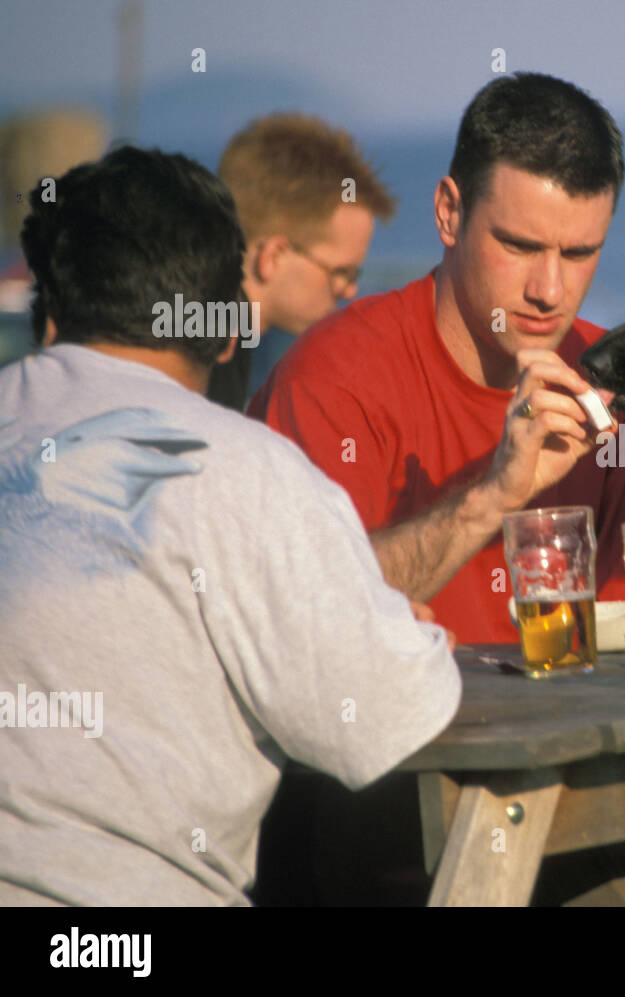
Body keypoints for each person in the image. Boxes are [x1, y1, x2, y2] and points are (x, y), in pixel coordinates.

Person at [0, 147, 460, 905]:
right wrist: (394, 630)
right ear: (223, 331)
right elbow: (387, 715)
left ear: (51, 313)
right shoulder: (246, 470)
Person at [249, 74, 625, 644]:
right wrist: (491, 501)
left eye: (580, 253)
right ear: (448, 214)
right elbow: (300, 612)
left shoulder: (619, 385)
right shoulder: (333, 379)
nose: (550, 290)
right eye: (520, 246)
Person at [206, 113, 396, 410]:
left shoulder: (196, 322)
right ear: (273, 256)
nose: (349, 291)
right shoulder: (216, 350)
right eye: (341, 272)